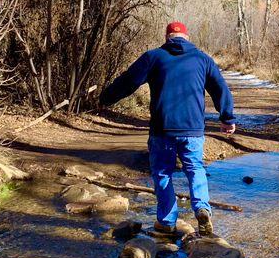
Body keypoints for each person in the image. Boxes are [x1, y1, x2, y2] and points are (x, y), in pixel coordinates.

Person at [98, 21, 235, 236]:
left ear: (166, 37)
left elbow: (128, 81)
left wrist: (106, 99)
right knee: (195, 169)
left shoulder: (153, 57)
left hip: (162, 129)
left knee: (163, 173)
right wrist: (227, 118)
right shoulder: (202, 59)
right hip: (192, 129)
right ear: (186, 38)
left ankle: (166, 222)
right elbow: (220, 89)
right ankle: (201, 207)